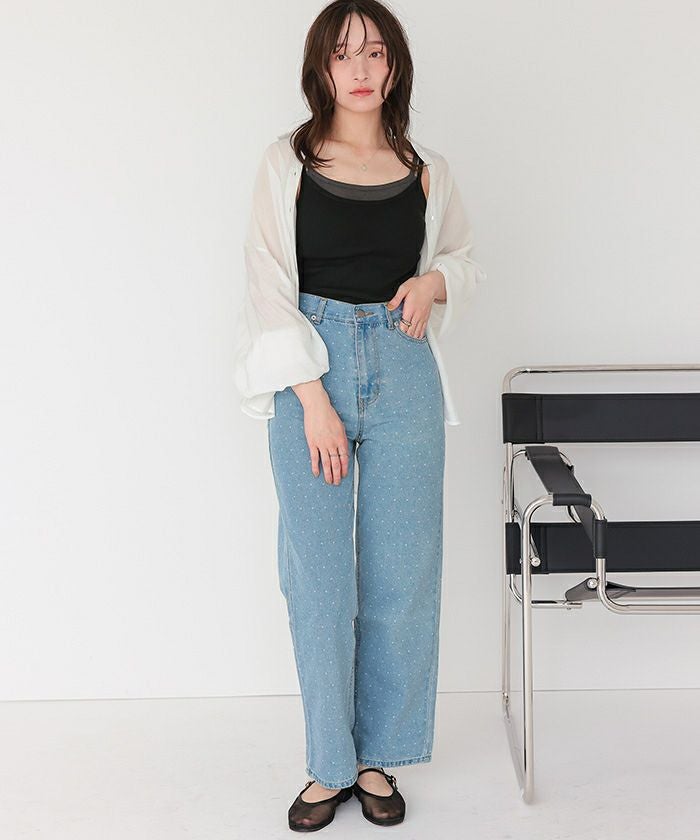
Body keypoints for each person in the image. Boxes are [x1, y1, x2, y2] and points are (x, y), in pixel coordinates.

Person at [233, 0, 486, 831]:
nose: (361, 68)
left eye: (375, 52)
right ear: (322, 68)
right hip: (312, 368)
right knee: (316, 577)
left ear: (395, 65)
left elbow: (463, 258)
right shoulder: (287, 162)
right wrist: (312, 398)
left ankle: (378, 755)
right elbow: (267, 282)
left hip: (405, 368)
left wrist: (434, 281)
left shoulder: (427, 168)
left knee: (403, 575)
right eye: (344, 54)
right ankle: (328, 763)